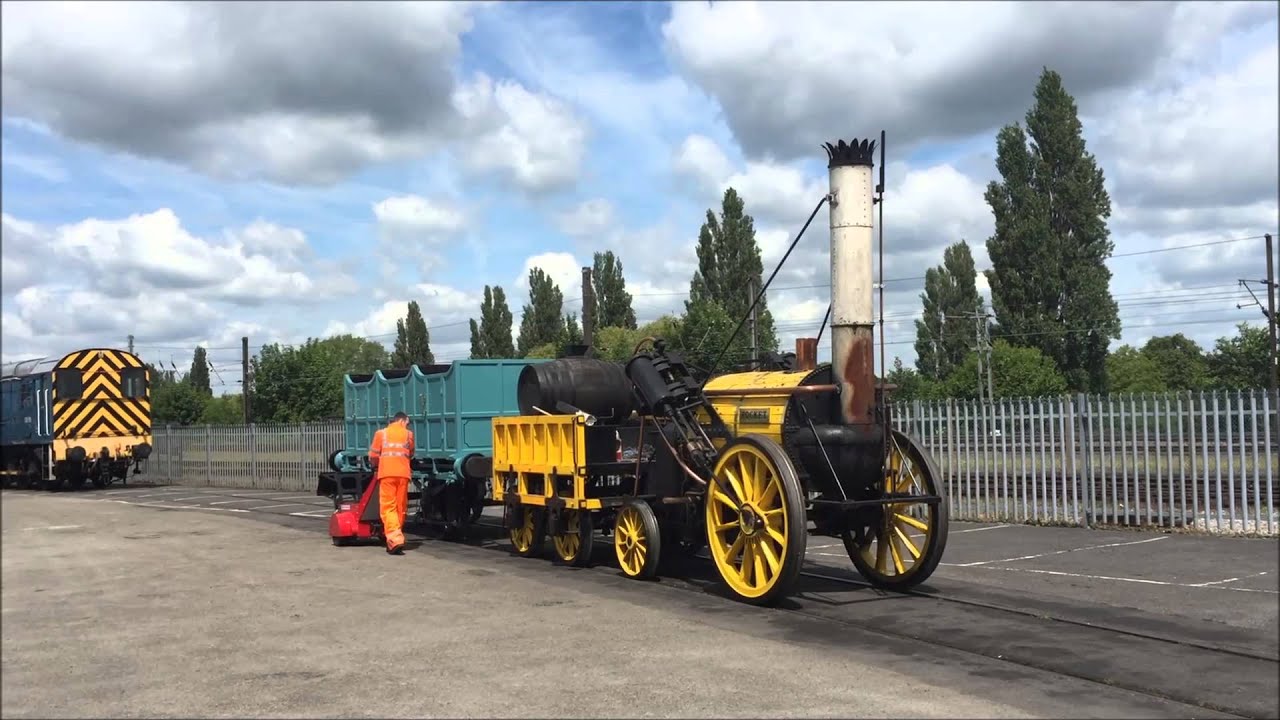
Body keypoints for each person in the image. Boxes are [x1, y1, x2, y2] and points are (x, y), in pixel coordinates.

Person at [368, 411, 414, 555]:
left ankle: (395, 539)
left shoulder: (381, 434)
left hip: (387, 474)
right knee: (400, 507)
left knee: (389, 507)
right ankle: (395, 536)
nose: (408, 425)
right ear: (402, 420)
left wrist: (375, 465)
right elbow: (411, 453)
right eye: (407, 422)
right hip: (403, 474)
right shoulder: (408, 435)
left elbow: (373, 455)